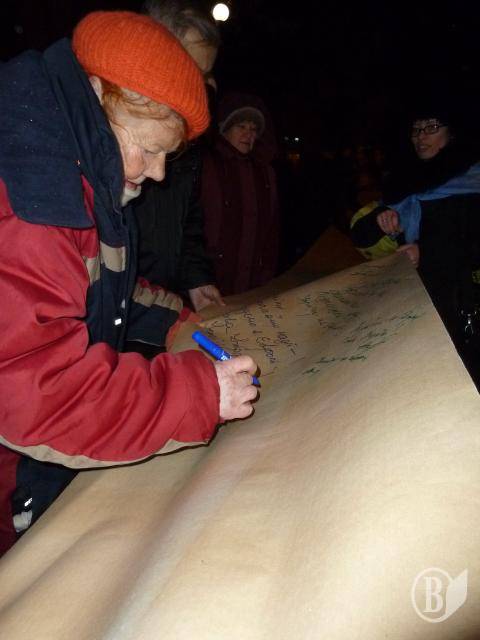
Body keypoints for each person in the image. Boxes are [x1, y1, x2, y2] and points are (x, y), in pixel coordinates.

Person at [0, 11, 258, 556]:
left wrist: (177, 322)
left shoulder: (82, 166)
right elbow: (38, 395)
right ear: (102, 96)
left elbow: (103, 279)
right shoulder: (35, 198)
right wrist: (201, 394)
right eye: (151, 148)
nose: (159, 173)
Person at [351, 99, 480, 387]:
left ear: (451, 133)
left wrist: (426, 252)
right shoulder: (406, 180)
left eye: (431, 127)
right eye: (416, 129)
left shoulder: (473, 182)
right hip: (412, 304)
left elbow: (472, 246)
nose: (421, 136)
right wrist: (379, 221)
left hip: (461, 306)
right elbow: (360, 236)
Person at [132, 0, 224, 318]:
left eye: (206, 76)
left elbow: (186, 220)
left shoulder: (186, 136)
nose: (202, 89)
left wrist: (195, 279)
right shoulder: (114, 135)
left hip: (159, 307)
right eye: (192, 73)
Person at [201, 92, 280, 295]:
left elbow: (272, 226)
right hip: (212, 282)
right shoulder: (207, 166)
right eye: (241, 127)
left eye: (253, 129)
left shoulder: (265, 172)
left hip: (254, 282)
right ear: (225, 129)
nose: (248, 134)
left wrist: (267, 271)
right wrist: (200, 276)